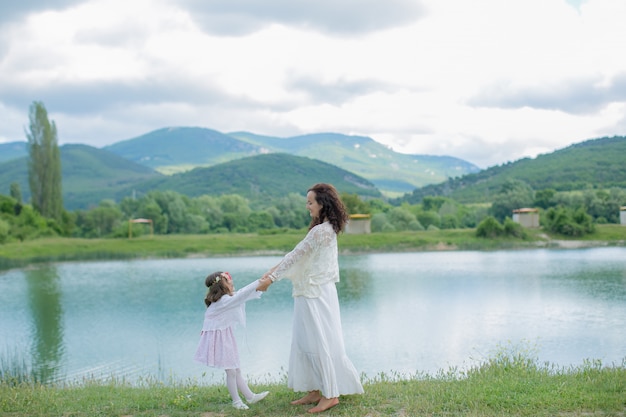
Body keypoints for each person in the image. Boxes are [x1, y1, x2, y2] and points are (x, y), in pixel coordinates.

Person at [262, 183, 364, 414]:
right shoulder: (324, 229)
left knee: (319, 341)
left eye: (310, 202)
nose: (307, 206)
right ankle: (315, 389)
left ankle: (330, 394)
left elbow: (296, 255)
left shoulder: (322, 231)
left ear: (322, 204)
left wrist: (271, 278)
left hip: (316, 294)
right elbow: (297, 255)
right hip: (311, 291)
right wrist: (271, 272)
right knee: (305, 339)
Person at [194, 270, 272, 410]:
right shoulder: (223, 301)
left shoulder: (225, 299)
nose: (231, 281)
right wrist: (258, 283)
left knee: (236, 369)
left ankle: (250, 396)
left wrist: (261, 283)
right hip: (219, 340)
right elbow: (242, 293)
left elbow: (242, 294)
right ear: (222, 286)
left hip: (225, 336)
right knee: (231, 371)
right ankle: (236, 401)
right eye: (228, 280)